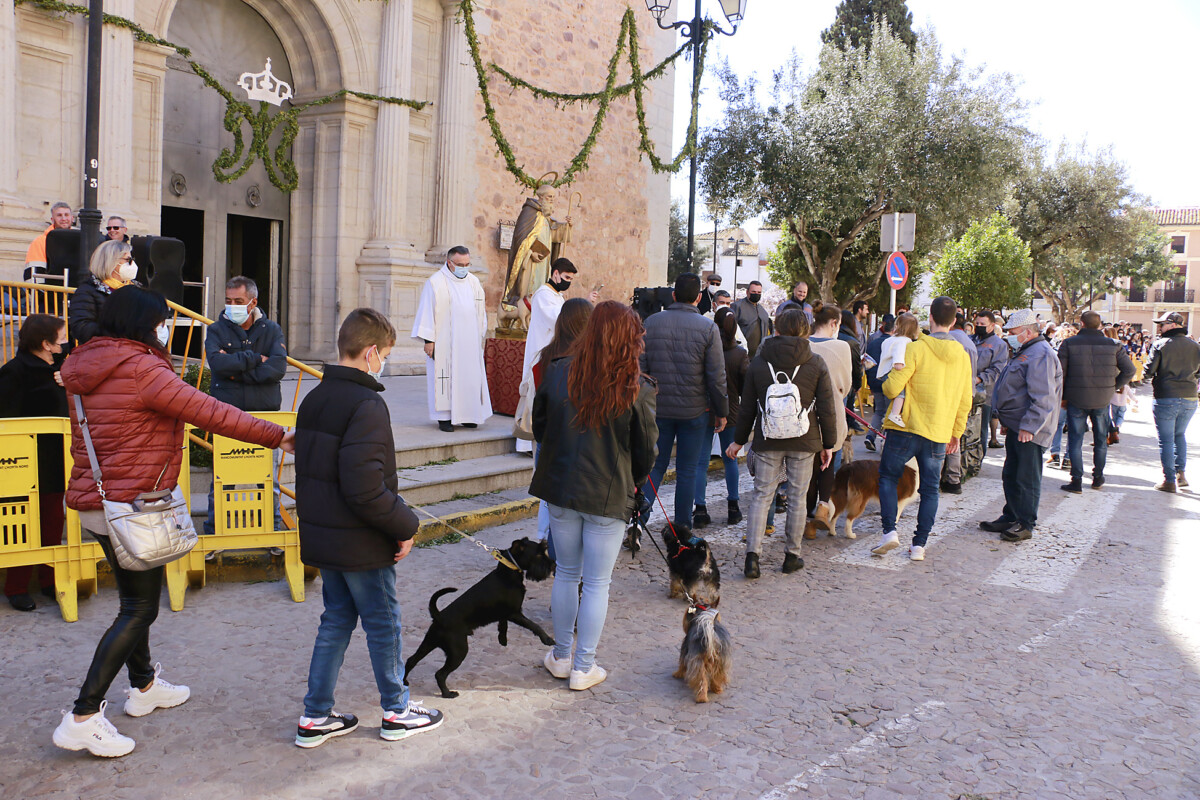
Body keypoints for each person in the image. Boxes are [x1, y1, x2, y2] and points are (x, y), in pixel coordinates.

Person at [52, 286, 293, 758]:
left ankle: (143, 687)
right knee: (139, 609)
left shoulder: (87, 362)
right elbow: (210, 412)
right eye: (164, 319)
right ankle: (83, 715)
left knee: (132, 600)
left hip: (100, 500)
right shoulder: (142, 368)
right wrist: (277, 435)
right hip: (133, 504)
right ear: (146, 323)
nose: (168, 328)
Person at [293, 307, 442, 749]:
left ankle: (315, 715)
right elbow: (363, 488)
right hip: (360, 541)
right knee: (383, 623)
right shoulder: (366, 403)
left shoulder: (314, 397)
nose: (385, 364)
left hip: (326, 535)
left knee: (335, 621)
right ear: (372, 352)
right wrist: (406, 525)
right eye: (386, 355)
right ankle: (397, 710)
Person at [531, 301, 657, 690]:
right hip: (608, 491)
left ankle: (562, 656)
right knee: (597, 583)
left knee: (567, 574)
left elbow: (540, 429)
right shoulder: (637, 387)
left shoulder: (556, 374)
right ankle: (583, 666)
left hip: (561, 487)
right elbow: (647, 450)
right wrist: (632, 482)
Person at [729, 309, 837, 578]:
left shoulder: (759, 361)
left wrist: (739, 441)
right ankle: (792, 555)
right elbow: (827, 407)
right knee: (798, 498)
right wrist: (829, 443)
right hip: (805, 439)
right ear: (805, 331)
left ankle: (752, 557)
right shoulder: (816, 362)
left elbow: (747, 408)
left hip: (768, 438)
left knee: (761, 495)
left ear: (776, 330)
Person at [870, 296, 972, 562]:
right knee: (930, 489)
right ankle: (919, 546)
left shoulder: (915, 349)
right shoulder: (962, 356)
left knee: (888, 478)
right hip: (938, 432)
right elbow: (965, 399)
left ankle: (889, 531)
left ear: (930, 318)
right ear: (953, 321)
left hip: (905, 427)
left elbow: (892, 388)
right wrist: (956, 433)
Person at [202, 276, 289, 543]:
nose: (232, 307)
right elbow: (217, 365)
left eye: (238, 302)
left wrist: (236, 370)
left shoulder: (272, 330)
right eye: (228, 301)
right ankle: (214, 531)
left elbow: (277, 369)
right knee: (221, 478)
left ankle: (273, 531)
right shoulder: (217, 329)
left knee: (268, 479)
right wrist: (254, 359)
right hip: (227, 414)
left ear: (253, 302)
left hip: (264, 415)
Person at [640, 273, 727, 529]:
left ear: (673, 295)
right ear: (699, 298)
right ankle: (681, 527)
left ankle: (638, 522)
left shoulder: (652, 323)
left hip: (657, 408)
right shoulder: (708, 328)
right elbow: (716, 376)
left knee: (654, 466)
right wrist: (721, 411)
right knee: (688, 470)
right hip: (694, 410)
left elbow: (641, 368)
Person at [0, 315, 69, 611]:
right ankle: (16, 587)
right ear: (45, 344)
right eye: (62, 337)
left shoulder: (58, 370)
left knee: (53, 522)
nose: (66, 343)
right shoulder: (14, 372)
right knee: (22, 526)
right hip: (23, 464)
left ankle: (49, 581)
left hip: (55, 461)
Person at [981, 309, 1063, 541]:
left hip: (1030, 430)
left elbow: (1042, 396)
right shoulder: (1027, 350)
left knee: (1026, 477)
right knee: (1012, 474)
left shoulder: (1040, 354)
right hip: (1019, 426)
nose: (1008, 335)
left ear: (1027, 332)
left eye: (1012, 331)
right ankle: (1011, 515)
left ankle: (1026, 522)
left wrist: (1029, 425)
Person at [530, 297, 595, 552]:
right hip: (581, 438)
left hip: (550, 438)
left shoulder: (546, 358)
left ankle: (552, 547)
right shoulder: (593, 361)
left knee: (552, 501)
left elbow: (539, 404)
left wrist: (541, 437)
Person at [516, 258, 597, 454]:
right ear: (555, 274)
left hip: (554, 352)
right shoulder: (543, 294)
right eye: (566, 277)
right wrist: (583, 306)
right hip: (542, 353)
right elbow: (557, 317)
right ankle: (525, 442)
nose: (568, 281)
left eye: (571, 278)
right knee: (535, 398)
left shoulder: (557, 295)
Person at [411, 246, 492, 432]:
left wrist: (480, 336)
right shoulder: (436, 282)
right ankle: (444, 418)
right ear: (449, 263)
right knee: (445, 378)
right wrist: (428, 340)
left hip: (470, 342)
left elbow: (481, 313)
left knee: (470, 378)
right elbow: (426, 311)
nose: (464, 268)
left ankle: (468, 415)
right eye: (460, 264)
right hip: (445, 343)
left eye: (467, 264)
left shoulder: (473, 282)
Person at [1056, 310, 1135, 493]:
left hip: (1076, 398)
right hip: (1102, 398)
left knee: (1075, 440)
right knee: (1100, 440)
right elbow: (1129, 370)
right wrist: (1114, 386)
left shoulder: (1069, 343)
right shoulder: (1114, 345)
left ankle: (1076, 480)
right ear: (1099, 325)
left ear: (1081, 324)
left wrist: (1062, 396)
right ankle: (1098, 477)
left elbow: (1060, 373)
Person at [693, 307, 749, 528]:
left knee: (701, 462)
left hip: (705, 410)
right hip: (732, 411)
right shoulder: (740, 354)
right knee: (731, 459)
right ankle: (733, 507)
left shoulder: (705, 350)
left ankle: (700, 509)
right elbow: (746, 387)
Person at [806, 306, 853, 535]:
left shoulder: (803, 343)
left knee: (809, 467)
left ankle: (807, 522)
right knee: (828, 463)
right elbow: (846, 385)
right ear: (834, 323)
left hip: (806, 413)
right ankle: (823, 507)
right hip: (832, 412)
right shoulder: (841, 347)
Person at [1143, 312, 1200, 492]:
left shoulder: (1160, 344)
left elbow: (1149, 370)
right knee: (1179, 435)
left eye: (1162, 324)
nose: (1160, 328)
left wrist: (1149, 374)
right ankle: (1180, 474)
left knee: (1166, 440)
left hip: (1166, 396)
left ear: (1173, 325)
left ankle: (1169, 481)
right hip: (1190, 396)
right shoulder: (1195, 345)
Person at [68, 239, 139, 345]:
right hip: (103, 351)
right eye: (128, 260)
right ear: (111, 261)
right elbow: (81, 328)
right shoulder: (88, 291)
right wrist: (118, 330)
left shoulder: (136, 288)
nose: (132, 264)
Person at [939, 311, 979, 494]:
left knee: (941, 437)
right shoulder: (970, 342)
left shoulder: (949, 341)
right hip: (966, 393)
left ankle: (939, 477)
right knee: (956, 437)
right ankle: (954, 479)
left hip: (949, 393)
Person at [973, 310, 1009, 449]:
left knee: (981, 430)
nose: (979, 326)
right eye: (977, 323)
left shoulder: (999, 345)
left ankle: (977, 461)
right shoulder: (970, 340)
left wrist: (979, 379)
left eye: (983, 324)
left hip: (985, 395)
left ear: (992, 325)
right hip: (965, 391)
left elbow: (997, 369)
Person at [876, 312, 919, 428]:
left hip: (883, 372)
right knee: (901, 394)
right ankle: (895, 414)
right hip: (891, 371)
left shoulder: (890, 339)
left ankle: (890, 415)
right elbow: (898, 359)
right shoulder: (904, 341)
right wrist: (903, 366)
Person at [863, 314, 895, 452]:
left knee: (878, 411)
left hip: (874, 382)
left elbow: (867, 363)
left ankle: (870, 436)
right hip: (889, 383)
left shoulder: (873, 342)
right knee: (888, 413)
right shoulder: (894, 344)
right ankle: (884, 440)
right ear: (894, 330)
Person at [23, 201, 73, 282]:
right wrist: (42, 294)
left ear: (72, 218)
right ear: (52, 220)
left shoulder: (80, 240)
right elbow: (33, 275)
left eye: (66, 215)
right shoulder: (40, 242)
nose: (64, 219)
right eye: (59, 215)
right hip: (49, 292)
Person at [731, 280, 773, 358]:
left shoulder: (762, 311)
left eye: (759, 292)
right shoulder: (737, 307)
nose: (756, 294)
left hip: (759, 356)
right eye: (753, 291)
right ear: (747, 292)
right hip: (741, 355)